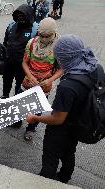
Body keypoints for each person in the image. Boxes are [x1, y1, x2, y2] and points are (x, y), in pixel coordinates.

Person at [26, 34, 99, 183]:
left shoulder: (67, 86)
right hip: (80, 121)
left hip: (62, 129)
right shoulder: (93, 66)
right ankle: (64, 178)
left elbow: (58, 119)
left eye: (58, 56)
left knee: (50, 158)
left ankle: (45, 182)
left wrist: (35, 118)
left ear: (64, 57)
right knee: (69, 152)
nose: (57, 59)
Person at [21, 17, 61, 141]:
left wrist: (51, 80)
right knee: (21, 104)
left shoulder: (59, 47)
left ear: (54, 33)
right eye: (41, 35)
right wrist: (31, 76)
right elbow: (24, 62)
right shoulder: (32, 43)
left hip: (45, 84)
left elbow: (62, 68)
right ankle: (16, 122)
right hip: (28, 81)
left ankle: (31, 128)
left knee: (38, 108)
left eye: (47, 36)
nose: (43, 38)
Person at [2, 4, 38, 127]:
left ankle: (17, 120)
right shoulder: (11, 26)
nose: (20, 17)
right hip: (9, 64)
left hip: (22, 67)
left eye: (23, 15)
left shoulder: (34, 29)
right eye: (18, 15)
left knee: (19, 92)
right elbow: (5, 43)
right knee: (6, 86)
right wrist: (3, 60)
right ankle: (5, 105)